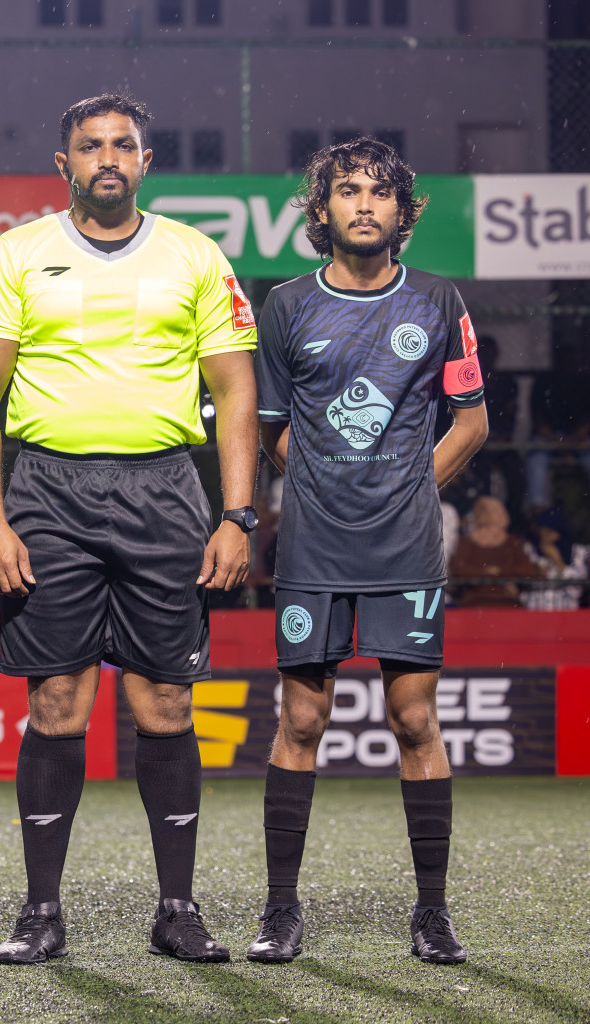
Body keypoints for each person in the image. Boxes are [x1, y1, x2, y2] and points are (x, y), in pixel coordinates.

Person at [0, 93, 258, 965]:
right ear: (64, 165)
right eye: (90, 146)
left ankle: (178, 909)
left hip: (165, 491)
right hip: (48, 494)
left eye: (122, 144)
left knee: (164, 702)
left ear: (146, 161)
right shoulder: (18, 253)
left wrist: (237, 514)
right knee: (56, 703)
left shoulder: (194, 256)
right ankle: (41, 913)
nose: (107, 158)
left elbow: (235, 389)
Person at [249, 138, 489, 966]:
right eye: (347, 191)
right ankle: (281, 909)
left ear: (402, 213)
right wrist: (322, 486)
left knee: (414, 719)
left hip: (406, 550)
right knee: (302, 719)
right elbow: (269, 429)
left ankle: (432, 912)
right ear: (321, 211)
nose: (363, 204)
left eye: (380, 193)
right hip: (313, 549)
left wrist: (409, 490)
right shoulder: (285, 305)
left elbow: (472, 421)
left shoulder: (435, 298)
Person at [447, 495, 540, 607]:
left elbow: (529, 571)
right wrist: (488, 573)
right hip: (475, 604)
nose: (503, 514)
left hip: (508, 602)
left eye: (502, 509)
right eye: (496, 511)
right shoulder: (467, 542)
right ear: (483, 514)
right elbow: (458, 570)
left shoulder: (514, 543)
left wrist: (498, 571)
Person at [523, 507, 588, 610]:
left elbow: (575, 592)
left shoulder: (578, 552)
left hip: (564, 619)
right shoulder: (529, 550)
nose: (545, 535)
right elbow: (522, 592)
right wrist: (534, 573)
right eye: (542, 530)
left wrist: (558, 561)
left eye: (550, 531)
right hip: (535, 617)